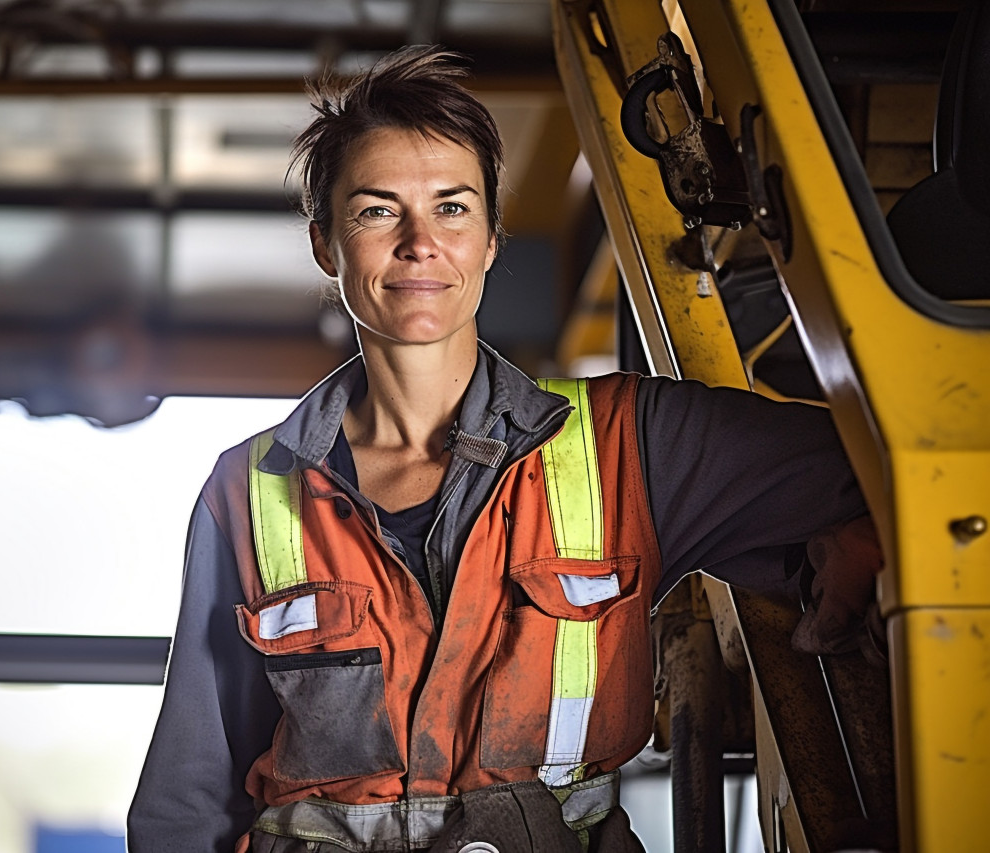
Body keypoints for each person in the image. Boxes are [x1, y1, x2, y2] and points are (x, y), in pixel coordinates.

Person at [127, 46, 878, 852]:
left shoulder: (634, 445)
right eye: (377, 211)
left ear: (490, 238)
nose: (420, 242)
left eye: (452, 208)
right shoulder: (249, 490)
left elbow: (899, 474)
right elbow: (187, 800)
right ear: (326, 245)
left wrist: (862, 544)